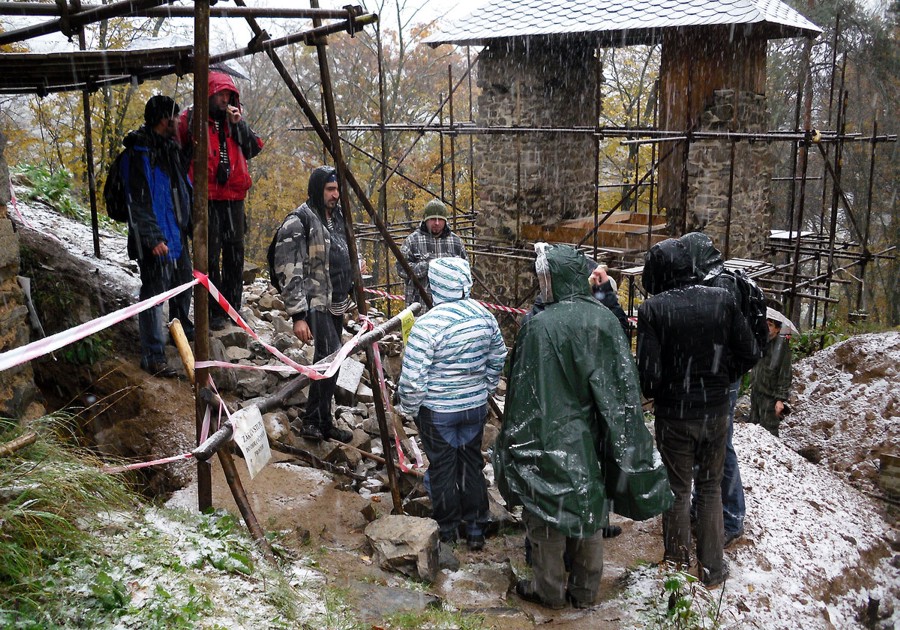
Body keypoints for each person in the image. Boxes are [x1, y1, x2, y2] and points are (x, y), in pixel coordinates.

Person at [495, 244, 672, 609]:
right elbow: (621, 388)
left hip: (547, 432)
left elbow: (522, 390)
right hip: (591, 432)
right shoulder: (602, 319)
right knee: (590, 507)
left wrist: (513, 441)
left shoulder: (539, 326)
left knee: (547, 508)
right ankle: (586, 589)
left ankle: (550, 589)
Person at [636, 238, 760, 588]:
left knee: (676, 490)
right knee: (709, 488)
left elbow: (649, 376)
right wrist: (721, 377)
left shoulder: (654, 310)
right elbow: (750, 351)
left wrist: (670, 389)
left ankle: (676, 564)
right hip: (717, 412)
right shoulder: (722, 298)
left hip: (675, 415)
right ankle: (713, 569)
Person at [396, 257, 507, 550]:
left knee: (443, 467)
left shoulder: (428, 324)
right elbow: (498, 356)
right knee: (471, 463)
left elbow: (413, 377)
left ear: (435, 285)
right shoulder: (485, 316)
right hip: (473, 408)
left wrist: (408, 407)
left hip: (438, 411)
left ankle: (446, 532)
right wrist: (486, 388)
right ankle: (475, 530)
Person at [679, 232, 764, 547]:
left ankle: (730, 518)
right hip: (720, 377)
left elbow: (726, 341)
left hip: (719, 380)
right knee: (709, 443)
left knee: (720, 446)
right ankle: (707, 508)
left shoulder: (719, 286)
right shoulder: (719, 279)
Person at [271, 166, 354, 444]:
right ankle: (311, 421)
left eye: (337, 190)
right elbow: (289, 270)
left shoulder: (337, 217)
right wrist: (298, 315)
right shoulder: (299, 221)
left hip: (336, 301)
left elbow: (342, 252)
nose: (335, 195)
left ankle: (324, 420)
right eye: (330, 190)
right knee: (329, 358)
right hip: (315, 300)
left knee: (333, 361)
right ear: (318, 190)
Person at [177, 70, 263, 329]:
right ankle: (213, 311)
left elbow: (254, 148)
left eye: (229, 95)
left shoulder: (234, 121)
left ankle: (233, 306)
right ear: (210, 94)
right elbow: (178, 147)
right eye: (221, 94)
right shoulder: (191, 119)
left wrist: (239, 124)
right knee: (210, 256)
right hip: (206, 199)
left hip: (234, 197)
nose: (225, 100)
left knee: (235, 253)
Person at [119, 95, 193, 377]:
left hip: (175, 236)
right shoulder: (139, 154)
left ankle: (179, 336)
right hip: (155, 241)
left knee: (182, 284)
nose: (178, 122)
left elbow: (179, 188)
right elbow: (136, 201)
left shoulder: (167, 149)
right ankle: (153, 355)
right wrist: (152, 238)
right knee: (153, 295)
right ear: (164, 120)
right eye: (175, 117)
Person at [397, 199, 467, 309]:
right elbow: (401, 269)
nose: (437, 223)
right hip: (420, 307)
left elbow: (465, 274)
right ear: (426, 220)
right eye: (433, 219)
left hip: (449, 308)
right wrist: (428, 266)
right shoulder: (412, 241)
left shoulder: (456, 242)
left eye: (441, 220)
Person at [749, 314, 793, 437]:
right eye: (765, 324)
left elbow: (785, 374)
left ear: (778, 329)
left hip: (770, 397)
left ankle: (771, 455)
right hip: (756, 393)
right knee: (753, 428)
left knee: (769, 432)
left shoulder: (782, 347)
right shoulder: (760, 342)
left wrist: (780, 399)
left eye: (770, 325)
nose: (766, 327)